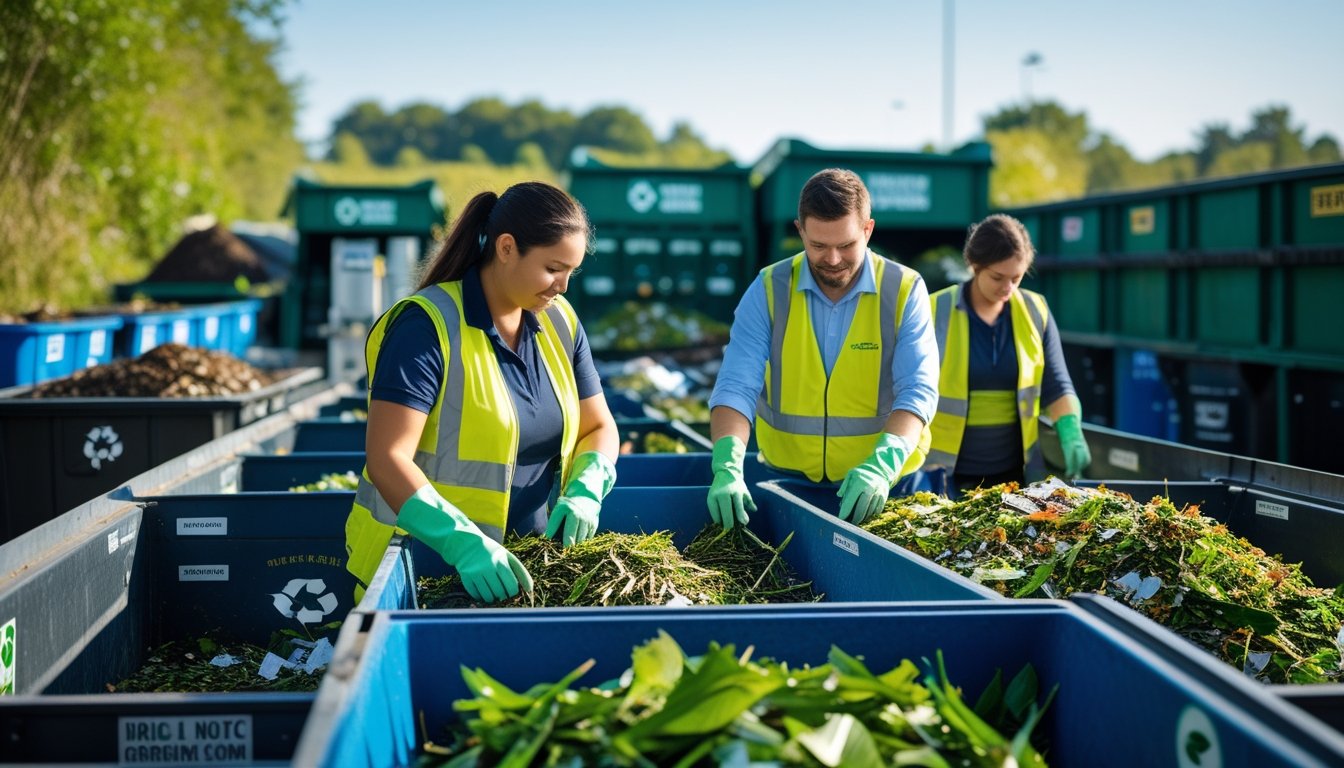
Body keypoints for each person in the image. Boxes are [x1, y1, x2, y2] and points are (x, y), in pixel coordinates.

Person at [344, 182, 620, 604]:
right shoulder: (425, 327)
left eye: (571, 272)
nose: (562, 286)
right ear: (506, 248)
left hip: (523, 571)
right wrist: (462, 544)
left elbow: (598, 425)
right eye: (552, 269)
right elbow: (387, 459)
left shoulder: (560, 322)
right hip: (418, 574)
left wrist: (588, 486)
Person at [706, 168, 940, 529]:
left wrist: (883, 465)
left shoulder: (904, 289)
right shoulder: (769, 289)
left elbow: (918, 390)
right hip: (790, 484)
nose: (832, 259)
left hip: (887, 489)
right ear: (800, 230)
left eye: (846, 245)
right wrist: (726, 466)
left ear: (868, 229)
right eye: (818, 245)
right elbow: (737, 386)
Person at [925, 213, 1092, 498]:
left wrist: (1070, 430)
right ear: (975, 266)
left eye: (1017, 278)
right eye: (998, 277)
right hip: (944, 476)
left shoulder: (1034, 310)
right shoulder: (934, 310)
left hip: (1015, 478)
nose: (1008, 288)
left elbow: (1056, 383)